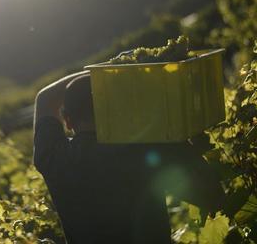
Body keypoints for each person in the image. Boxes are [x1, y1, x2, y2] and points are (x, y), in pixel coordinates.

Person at [33, 70, 225, 244]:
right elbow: (212, 195)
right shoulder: (144, 148)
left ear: (67, 121)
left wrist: (105, 71)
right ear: (115, 110)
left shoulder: (54, 158)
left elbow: (44, 99)